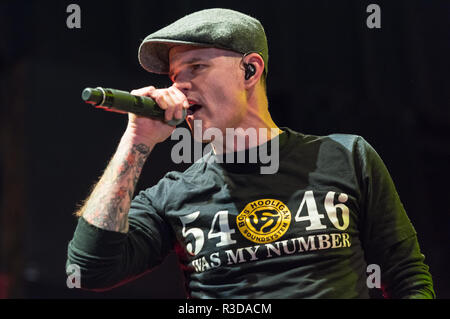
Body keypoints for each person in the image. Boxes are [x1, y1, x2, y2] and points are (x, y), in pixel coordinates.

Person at [66, 8, 435, 298]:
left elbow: (406, 275)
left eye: (197, 67)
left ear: (250, 70)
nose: (181, 86)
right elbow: (88, 270)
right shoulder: (172, 195)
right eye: (175, 76)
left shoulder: (347, 156)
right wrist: (137, 139)